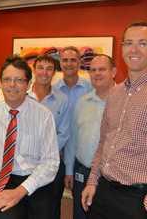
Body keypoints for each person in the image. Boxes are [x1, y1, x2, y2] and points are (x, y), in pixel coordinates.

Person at [81, 22, 147, 219]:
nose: (134, 49)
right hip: (103, 191)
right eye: (128, 43)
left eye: (143, 43)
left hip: (137, 200)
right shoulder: (115, 92)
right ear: (122, 49)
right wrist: (92, 181)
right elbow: (104, 142)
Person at [0, 56, 59, 219]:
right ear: (0, 82)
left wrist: (20, 192)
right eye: (7, 79)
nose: (12, 85)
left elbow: (50, 162)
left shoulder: (44, 115)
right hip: (4, 179)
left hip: (37, 180)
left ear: (28, 84)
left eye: (19, 80)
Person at [66, 54, 116, 219]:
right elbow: (73, 139)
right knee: (81, 214)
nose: (96, 73)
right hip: (82, 171)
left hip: (110, 177)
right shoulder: (82, 102)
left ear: (113, 72)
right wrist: (69, 171)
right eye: (93, 70)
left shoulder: (124, 102)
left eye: (102, 69)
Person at [27, 55, 70, 219]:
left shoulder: (62, 99)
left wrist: (44, 153)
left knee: (50, 209)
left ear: (54, 73)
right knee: (27, 206)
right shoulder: (22, 96)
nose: (44, 72)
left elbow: (64, 133)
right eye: (41, 68)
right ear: (34, 70)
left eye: (49, 68)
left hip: (52, 163)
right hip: (26, 163)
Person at [53, 46, 93, 191]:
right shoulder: (53, 90)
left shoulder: (90, 88)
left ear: (79, 62)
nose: (68, 64)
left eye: (73, 60)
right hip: (58, 151)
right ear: (60, 62)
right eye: (65, 60)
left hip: (82, 152)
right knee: (54, 193)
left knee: (82, 197)